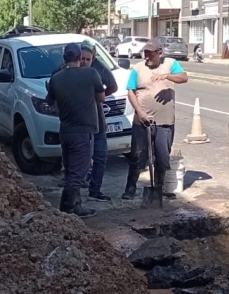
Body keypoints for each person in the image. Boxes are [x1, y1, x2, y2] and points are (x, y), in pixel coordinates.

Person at [122, 39, 189, 201]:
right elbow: (131, 92)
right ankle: (130, 188)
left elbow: (184, 77)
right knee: (138, 155)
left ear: (160, 53)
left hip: (165, 122)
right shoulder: (137, 69)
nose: (147, 58)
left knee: (162, 156)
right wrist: (139, 112)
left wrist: (166, 76)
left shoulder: (170, 64)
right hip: (142, 121)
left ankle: (159, 187)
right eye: (145, 54)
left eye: (151, 55)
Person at [46, 43, 105, 218]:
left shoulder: (56, 78)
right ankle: (67, 209)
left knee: (71, 169)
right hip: (83, 131)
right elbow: (101, 97)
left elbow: (50, 101)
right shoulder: (90, 73)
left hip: (65, 131)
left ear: (64, 58)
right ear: (80, 58)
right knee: (78, 173)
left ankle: (76, 206)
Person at [79, 39, 118, 202]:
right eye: (82, 58)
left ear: (93, 56)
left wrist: (98, 97)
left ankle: (95, 190)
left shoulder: (99, 68)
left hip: (97, 120)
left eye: (88, 59)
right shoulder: (69, 69)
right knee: (79, 158)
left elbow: (113, 86)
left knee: (101, 156)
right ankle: (75, 194)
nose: (85, 62)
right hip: (79, 122)